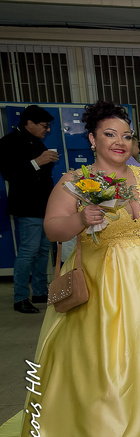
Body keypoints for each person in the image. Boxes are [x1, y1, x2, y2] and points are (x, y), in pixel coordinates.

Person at [0, 100, 140, 437]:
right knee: (111, 361)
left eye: (126, 135)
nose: (120, 142)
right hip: (107, 282)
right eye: (110, 134)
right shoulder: (76, 181)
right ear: (92, 139)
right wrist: (80, 218)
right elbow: (53, 229)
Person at [0, 105, 58, 313]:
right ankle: (21, 298)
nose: (47, 130)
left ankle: (40, 292)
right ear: (29, 123)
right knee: (28, 251)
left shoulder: (36, 141)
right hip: (27, 206)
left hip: (44, 206)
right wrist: (37, 161)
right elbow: (9, 173)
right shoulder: (8, 142)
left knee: (43, 251)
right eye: (44, 126)